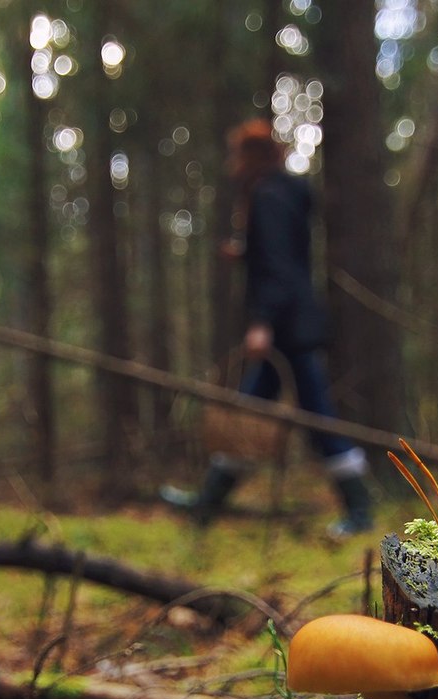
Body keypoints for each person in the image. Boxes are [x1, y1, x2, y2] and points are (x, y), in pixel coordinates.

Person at [160, 118, 375, 538]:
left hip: (287, 328)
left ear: (254, 156)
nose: (233, 163)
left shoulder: (267, 196)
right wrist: (245, 253)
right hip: (293, 321)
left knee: (318, 417)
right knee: (251, 414)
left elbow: (279, 267)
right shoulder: (282, 193)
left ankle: (360, 509)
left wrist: (262, 322)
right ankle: (207, 503)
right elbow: (282, 255)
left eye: (238, 154)